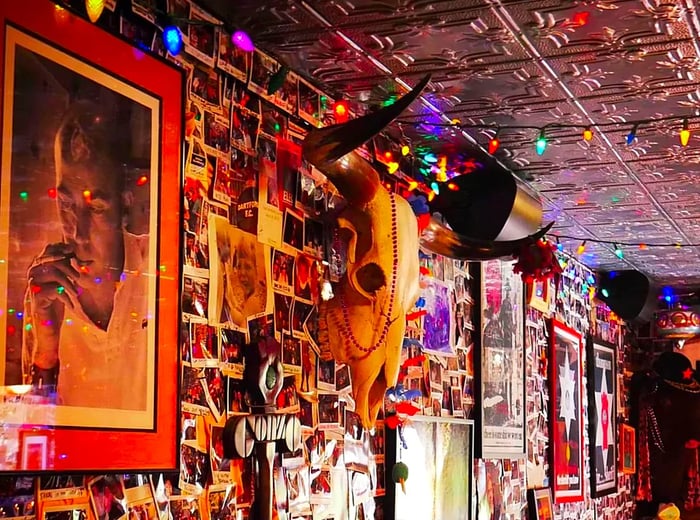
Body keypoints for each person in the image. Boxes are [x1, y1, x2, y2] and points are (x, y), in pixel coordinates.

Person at [23, 99, 152, 412]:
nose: (77, 233)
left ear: (125, 204)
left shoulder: (154, 274)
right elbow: (35, 428)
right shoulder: (44, 288)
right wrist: (46, 347)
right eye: (66, 204)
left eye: (95, 209)